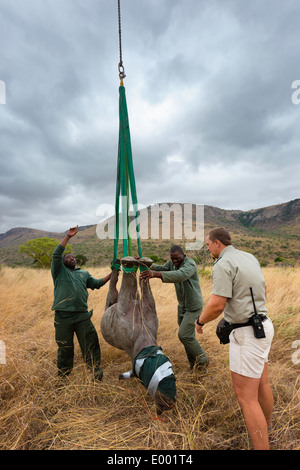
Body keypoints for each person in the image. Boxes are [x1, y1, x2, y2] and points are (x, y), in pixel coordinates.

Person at [195, 227, 274, 450]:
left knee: (246, 398)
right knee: (262, 383)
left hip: (247, 334)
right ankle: (266, 429)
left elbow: (217, 304)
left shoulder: (222, 264)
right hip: (264, 326)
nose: (207, 248)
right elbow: (264, 289)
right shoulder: (249, 257)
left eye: (208, 244)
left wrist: (200, 322)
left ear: (218, 243)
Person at [51, 225, 111, 381]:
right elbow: (57, 254)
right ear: (63, 262)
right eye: (68, 257)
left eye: (73, 257)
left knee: (91, 344)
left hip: (82, 316)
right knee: (65, 348)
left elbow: (97, 283)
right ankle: (63, 378)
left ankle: (96, 374)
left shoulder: (83, 273)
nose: (72, 258)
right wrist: (68, 237)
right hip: (63, 317)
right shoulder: (58, 271)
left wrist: (113, 273)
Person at [140, 245, 209, 371]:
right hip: (182, 306)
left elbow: (180, 275)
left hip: (193, 307)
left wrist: (155, 274)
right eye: (172, 259)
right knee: (188, 337)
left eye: (177, 258)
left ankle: (203, 359)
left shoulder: (190, 265)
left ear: (183, 255)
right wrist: (146, 263)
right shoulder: (172, 263)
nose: (175, 261)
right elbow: (162, 268)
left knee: (184, 335)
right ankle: (194, 364)